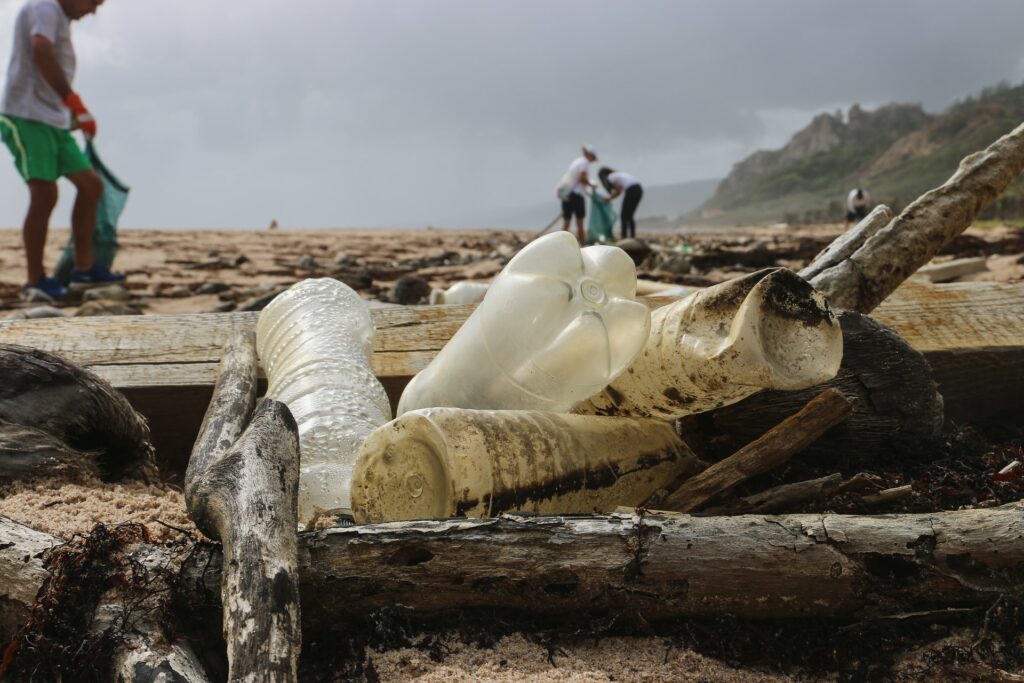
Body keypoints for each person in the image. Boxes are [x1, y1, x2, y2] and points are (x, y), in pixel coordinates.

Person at [1, 0, 125, 302]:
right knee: (45, 194)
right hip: (26, 114)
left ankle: (84, 269)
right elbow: (40, 50)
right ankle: (35, 281)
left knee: (91, 185)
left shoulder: (60, 17)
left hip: (52, 118)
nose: (94, 10)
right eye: (93, 2)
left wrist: (68, 113)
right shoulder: (45, 7)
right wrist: (73, 101)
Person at [556, 144, 597, 245]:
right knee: (580, 222)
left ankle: (560, 244)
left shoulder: (577, 161)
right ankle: (582, 245)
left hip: (567, 194)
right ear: (590, 155)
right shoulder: (584, 163)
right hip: (577, 195)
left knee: (566, 221)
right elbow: (582, 178)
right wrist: (591, 184)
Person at [598, 167, 644, 240]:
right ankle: (632, 236)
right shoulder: (617, 175)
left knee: (624, 215)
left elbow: (618, 191)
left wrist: (609, 198)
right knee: (630, 215)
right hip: (639, 189)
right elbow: (619, 190)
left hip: (632, 190)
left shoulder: (610, 177)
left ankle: (624, 237)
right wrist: (611, 198)